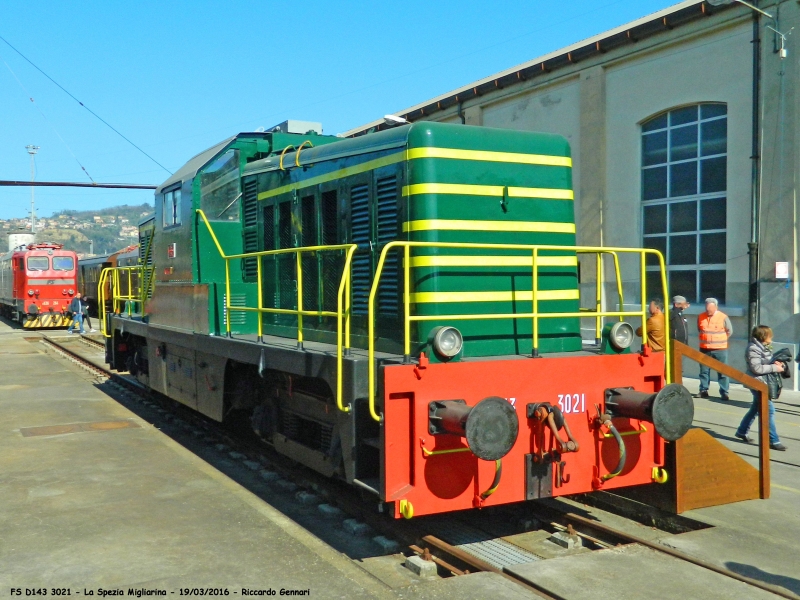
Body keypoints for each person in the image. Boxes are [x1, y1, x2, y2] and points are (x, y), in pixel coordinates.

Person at [735, 325, 787, 451]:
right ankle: (773, 440)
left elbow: (765, 361)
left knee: (755, 408)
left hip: (762, 382)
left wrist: (776, 363)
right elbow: (756, 368)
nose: (772, 337)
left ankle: (742, 431)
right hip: (756, 382)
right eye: (770, 335)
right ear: (764, 336)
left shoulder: (762, 346)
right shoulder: (753, 348)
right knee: (769, 410)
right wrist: (775, 368)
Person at [696, 297, 732, 400]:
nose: (709, 312)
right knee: (704, 371)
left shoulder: (723, 317)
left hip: (720, 349)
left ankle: (724, 392)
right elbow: (700, 329)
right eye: (707, 310)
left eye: (711, 310)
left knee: (723, 371)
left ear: (716, 307)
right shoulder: (700, 317)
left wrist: (720, 340)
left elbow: (729, 331)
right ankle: (703, 390)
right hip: (704, 349)